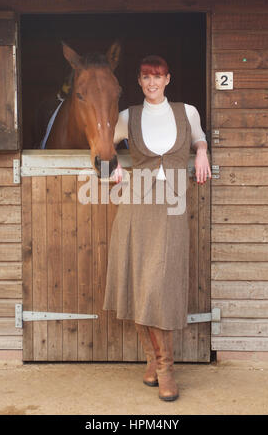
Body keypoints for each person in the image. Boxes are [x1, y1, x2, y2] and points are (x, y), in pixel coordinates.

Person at [103, 55, 211, 402]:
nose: (152, 83)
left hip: (173, 206)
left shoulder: (187, 112)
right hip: (136, 206)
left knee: (160, 286)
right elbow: (102, 144)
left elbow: (199, 138)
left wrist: (203, 151)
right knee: (138, 283)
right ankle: (155, 363)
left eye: (158, 77)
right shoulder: (127, 117)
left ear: (168, 79)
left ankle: (164, 366)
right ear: (139, 81)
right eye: (146, 77)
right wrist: (113, 164)